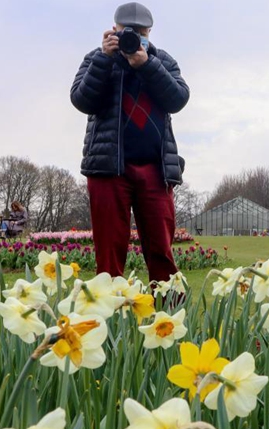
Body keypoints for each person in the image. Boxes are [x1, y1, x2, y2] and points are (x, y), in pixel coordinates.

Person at [70, 2, 189, 282]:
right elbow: (81, 100)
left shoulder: (163, 61)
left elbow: (178, 99)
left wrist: (147, 66)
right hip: (109, 169)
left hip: (155, 169)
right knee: (108, 252)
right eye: (127, 31)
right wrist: (103, 59)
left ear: (149, 32)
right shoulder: (96, 59)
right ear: (114, 30)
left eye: (140, 32)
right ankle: (110, 319)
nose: (133, 37)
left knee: (161, 251)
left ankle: (168, 318)